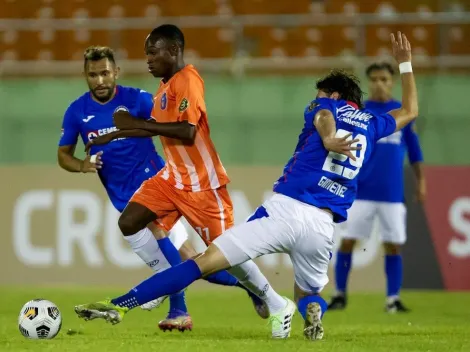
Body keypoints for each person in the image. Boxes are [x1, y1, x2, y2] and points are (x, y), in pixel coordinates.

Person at [74, 32, 418, 341]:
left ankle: (123, 303)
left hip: (282, 208)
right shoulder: (374, 123)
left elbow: (323, 117)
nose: (316, 99)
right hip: (323, 225)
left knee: (204, 263)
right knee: (308, 294)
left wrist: (327, 137)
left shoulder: (324, 104)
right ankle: (311, 311)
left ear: (334, 94)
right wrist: (406, 65)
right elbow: (411, 110)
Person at [78, 26, 292, 338]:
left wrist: (132, 123)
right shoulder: (164, 89)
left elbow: (187, 130)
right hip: (171, 180)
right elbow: (155, 127)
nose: (148, 59)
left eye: (154, 52)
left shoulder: (189, 80)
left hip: (203, 186)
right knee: (129, 222)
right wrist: (116, 133)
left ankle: (274, 301)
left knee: (229, 256)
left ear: (174, 51)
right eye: (146, 53)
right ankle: (164, 280)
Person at [328, 62, 425, 313]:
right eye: (374, 79)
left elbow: (414, 150)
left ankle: (392, 299)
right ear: (368, 82)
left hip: (392, 194)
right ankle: (339, 294)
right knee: (347, 241)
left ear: (392, 82)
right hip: (359, 190)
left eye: (384, 79)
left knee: (393, 245)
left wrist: (421, 182)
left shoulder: (401, 112)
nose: (379, 83)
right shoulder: (360, 112)